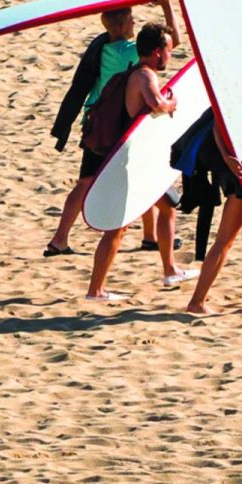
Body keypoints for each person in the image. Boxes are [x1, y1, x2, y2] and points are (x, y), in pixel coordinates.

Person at [44, 0, 182, 256]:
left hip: (98, 120)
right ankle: (60, 239)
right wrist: (166, 6)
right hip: (109, 125)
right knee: (90, 181)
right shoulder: (125, 52)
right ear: (121, 24)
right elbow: (171, 41)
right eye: (130, 17)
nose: (134, 22)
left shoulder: (104, 45)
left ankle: (149, 237)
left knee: (100, 178)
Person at [83, 23, 193, 301]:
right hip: (129, 164)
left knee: (167, 207)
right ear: (157, 52)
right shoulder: (144, 75)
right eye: (168, 50)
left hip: (138, 161)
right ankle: (95, 290)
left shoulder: (137, 71)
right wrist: (172, 103)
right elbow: (156, 104)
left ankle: (170, 270)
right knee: (117, 228)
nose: (170, 55)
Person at [183, 113, 242, 316]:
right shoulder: (239, 91)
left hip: (239, 171)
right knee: (224, 241)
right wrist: (227, 159)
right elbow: (219, 121)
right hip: (239, 174)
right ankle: (197, 302)